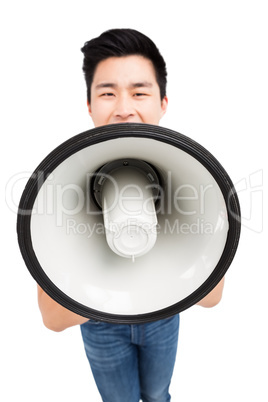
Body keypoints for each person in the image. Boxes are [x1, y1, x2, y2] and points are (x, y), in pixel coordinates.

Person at [37, 28, 225, 402]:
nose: (124, 107)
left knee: (157, 395)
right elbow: (54, 319)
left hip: (163, 318)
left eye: (140, 92)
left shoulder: (195, 178)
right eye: (107, 92)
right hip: (99, 325)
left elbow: (211, 296)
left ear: (163, 102)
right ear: (89, 104)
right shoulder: (57, 183)